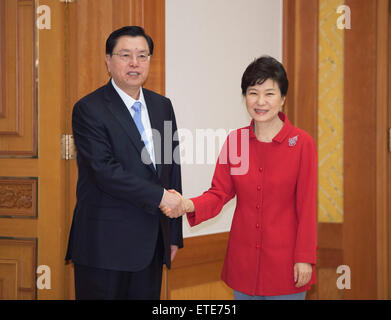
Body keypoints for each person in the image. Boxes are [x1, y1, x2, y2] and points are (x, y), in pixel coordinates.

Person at [162, 56, 317, 300]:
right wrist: (186, 204)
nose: (260, 101)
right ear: (245, 97)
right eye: (253, 93)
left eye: (269, 93)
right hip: (243, 263)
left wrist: (305, 259)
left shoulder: (301, 143)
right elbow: (218, 193)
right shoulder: (236, 142)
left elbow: (307, 207)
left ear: (283, 98)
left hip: (287, 265)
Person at [65, 26, 184, 300]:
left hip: (152, 244)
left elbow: (171, 170)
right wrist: (161, 196)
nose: (135, 63)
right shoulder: (89, 109)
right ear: (108, 60)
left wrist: (173, 235)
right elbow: (104, 171)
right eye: (125, 55)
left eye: (142, 55)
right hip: (104, 246)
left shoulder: (162, 106)